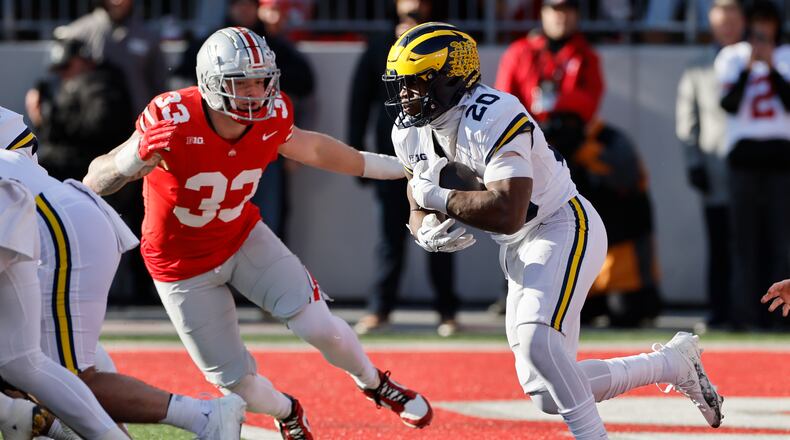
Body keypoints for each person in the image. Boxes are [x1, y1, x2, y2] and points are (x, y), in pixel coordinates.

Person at [83, 27, 432, 440]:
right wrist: (131, 157)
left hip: (241, 237)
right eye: (241, 82)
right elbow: (94, 180)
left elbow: (318, 150)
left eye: (261, 80)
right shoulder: (172, 118)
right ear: (212, 85)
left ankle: (374, 382)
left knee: (319, 326)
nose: (255, 91)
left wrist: (401, 168)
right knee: (235, 384)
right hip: (180, 266)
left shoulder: (274, 113)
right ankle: (287, 410)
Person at [384, 22, 724, 438]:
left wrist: (438, 199)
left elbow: (508, 209)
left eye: (417, 81)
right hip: (518, 245)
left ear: (451, 76)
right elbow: (415, 193)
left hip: (561, 224)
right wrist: (421, 228)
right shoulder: (409, 129)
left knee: (537, 341)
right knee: (546, 390)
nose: (406, 94)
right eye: (401, 83)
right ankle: (673, 363)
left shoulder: (494, 113)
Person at [0, 106, 247, 440]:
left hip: (46, 225)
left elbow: (17, 160)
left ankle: (203, 416)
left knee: (54, 370)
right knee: (30, 361)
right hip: (47, 220)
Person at [349, 0, 460, 337]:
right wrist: (358, 156)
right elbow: (359, 101)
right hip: (394, 159)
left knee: (441, 231)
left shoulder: (443, 42)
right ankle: (380, 309)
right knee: (391, 238)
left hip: (437, 158)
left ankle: (447, 311)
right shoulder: (379, 44)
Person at [0, 174, 126, 439]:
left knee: (30, 358)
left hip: (39, 223)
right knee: (26, 360)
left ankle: (196, 415)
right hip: (30, 217)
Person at [544, 113, 661, 327]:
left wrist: (585, 152)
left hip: (622, 233)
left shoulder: (608, 139)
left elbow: (628, 178)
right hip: (583, 237)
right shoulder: (544, 143)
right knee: (575, 314)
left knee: (626, 312)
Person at [714, 0, 790, 330]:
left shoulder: (786, 56)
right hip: (744, 159)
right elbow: (728, 104)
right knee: (743, 240)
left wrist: (771, 66)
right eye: (758, 23)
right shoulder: (731, 56)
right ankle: (744, 315)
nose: (763, 31)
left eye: (768, 23)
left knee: (781, 238)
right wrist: (749, 67)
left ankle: (780, 318)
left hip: (781, 158)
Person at [676, 0, 744, 328]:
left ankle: (759, 310)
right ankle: (721, 310)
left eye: (734, 11)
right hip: (717, 170)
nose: (727, 19)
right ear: (711, 17)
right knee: (720, 244)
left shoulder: (762, 61)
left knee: (760, 242)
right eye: (721, 10)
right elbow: (687, 121)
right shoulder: (699, 66)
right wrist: (694, 163)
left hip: (761, 170)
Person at [25, 38, 133, 181]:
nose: (63, 74)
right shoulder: (64, 84)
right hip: (69, 157)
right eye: (59, 69)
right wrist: (39, 117)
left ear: (82, 60)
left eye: (66, 66)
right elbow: (51, 136)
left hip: (95, 162)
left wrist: (51, 117)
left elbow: (100, 126)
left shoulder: (102, 83)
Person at [494, 0, 604, 125]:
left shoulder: (586, 56)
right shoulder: (518, 52)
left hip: (572, 136)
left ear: (577, 15)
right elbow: (503, 101)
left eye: (567, 9)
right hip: (525, 134)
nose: (562, 16)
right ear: (543, 13)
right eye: (556, 9)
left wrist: (557, 102)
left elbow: (590, 102)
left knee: (617, 142)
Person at [53, 0, 167, 114]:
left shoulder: (148, 36)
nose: (117, 2)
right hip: (90, 122)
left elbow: (160, 86)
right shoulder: (78, 33)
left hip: (138, 123)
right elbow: (60, 83)